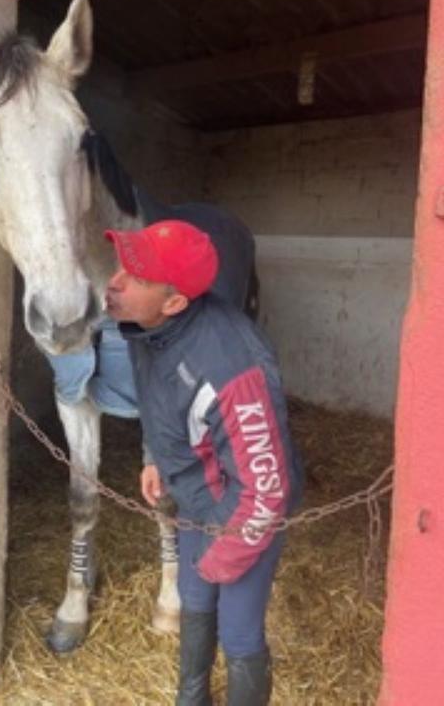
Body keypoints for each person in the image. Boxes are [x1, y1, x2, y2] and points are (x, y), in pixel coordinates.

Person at [104, 219, 303, 706]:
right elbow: (159, 403)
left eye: (138, 277)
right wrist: (156, 458)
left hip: (246, 509)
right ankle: (191, 700)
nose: (115, 282)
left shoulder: (232, 366)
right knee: (194, 600)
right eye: (121, 267)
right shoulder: (146, 328)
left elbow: (265, 490)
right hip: (197, 493)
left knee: (238, 630)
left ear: (174, 302)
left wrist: (223, 555)